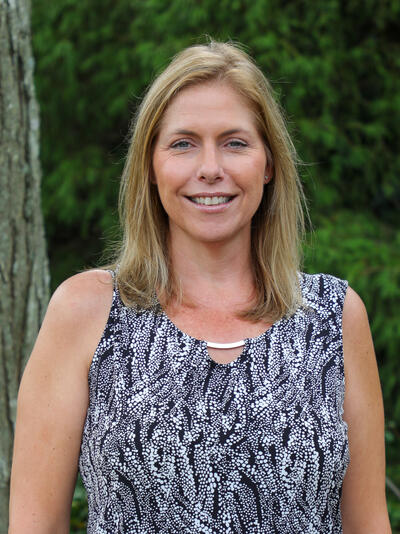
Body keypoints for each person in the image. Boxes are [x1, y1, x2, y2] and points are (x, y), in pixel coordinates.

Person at [9, 40, 391, 534]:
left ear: (269, 164)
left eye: (235, 142)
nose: (210, 168)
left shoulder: (333, 318)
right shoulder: (86, 313)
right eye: (183, 143)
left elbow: (369, 524)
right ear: (151, 165)